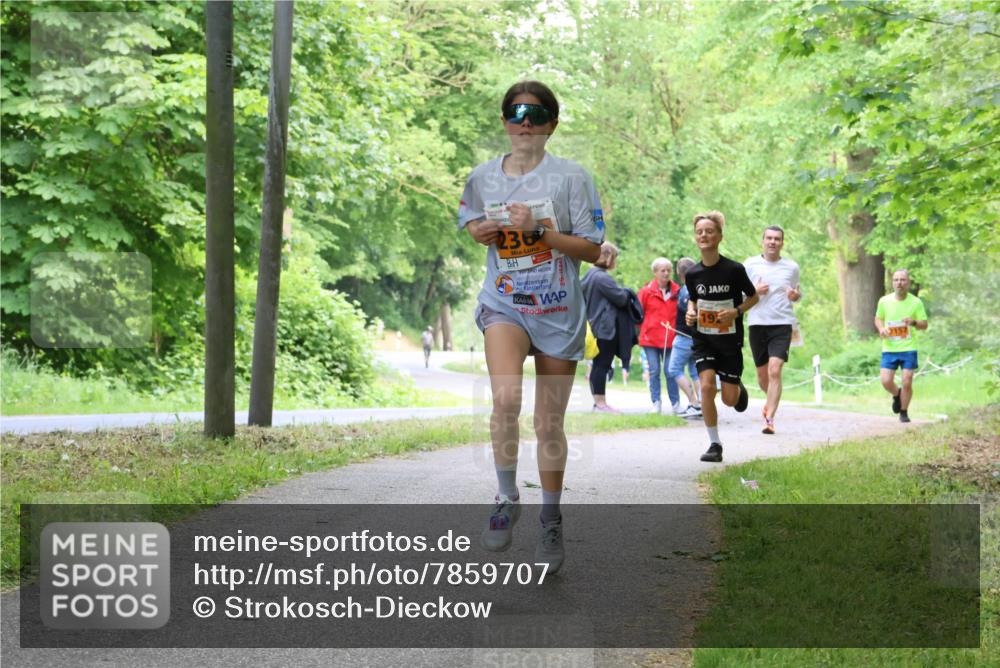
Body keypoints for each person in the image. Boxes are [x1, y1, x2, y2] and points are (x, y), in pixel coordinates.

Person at [457, 80, 603, 573]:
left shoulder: (571, 178)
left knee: (547, 424)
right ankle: (504, 496)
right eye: (516, 112)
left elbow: (591, 250)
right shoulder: (481, 177)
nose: (525, 121)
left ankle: (550, 519)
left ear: (552, 125)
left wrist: (540, 231)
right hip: (506, 304)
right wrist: (482, 231)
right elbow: (473, 226)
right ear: (503, 121)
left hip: (559, 310)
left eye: (537, 114)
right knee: (504, 399)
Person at [684, 211, 759, 463]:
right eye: (699, 232)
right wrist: (691, 312)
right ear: (695, 238)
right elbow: (694, 299)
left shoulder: (734, 269)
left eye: (709, 231)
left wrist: (736, 311)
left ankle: (737, 388)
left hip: (729, 341)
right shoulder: (693, 274)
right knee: (705, 386)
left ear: (719, 236)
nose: (704, 235)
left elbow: (754, 296)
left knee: (729, 400)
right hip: (703, 339)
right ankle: (714, 444)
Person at [744, 226, 802, 434]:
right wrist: (754, 291)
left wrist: (796, 297)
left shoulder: (791, 267)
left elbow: (796, 292)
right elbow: (739, 297)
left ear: (782, 243)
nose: (772, 242)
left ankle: (769, 419)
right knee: (763, 377)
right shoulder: (750, 264)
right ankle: (770, 400)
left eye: (777, 239)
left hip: (782, 323)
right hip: (757, 323)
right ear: (763, 241)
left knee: (775, 369)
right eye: (769, 238)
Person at [874, 269, 928, 423]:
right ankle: (897, 395)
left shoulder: (916, 302)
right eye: (896, 280)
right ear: (892, 283)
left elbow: (924, 325)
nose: (899, 283)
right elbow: (878, 319)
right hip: (889, 347)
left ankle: (903, 412)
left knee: (907, 380)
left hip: (909, 347)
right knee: (885, 381)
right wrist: (881, 329)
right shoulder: (884, 301)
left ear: (908, 283)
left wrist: (914, 322)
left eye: (903, 280)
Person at [581, 242, 629, 413]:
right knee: (602, 365)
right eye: (614, 257)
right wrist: (626, 292)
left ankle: (598, 402)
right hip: (604, 328)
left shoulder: (589, 274)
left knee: (597, 365)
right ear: (608, 257)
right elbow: (621, 298)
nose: (615, 261)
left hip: (594, 325)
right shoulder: (602, 277)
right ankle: (601, 403)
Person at [637, 258, 682, 414]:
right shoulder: (646, 292)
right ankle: (656, 403)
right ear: (655, 272)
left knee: (671, 371)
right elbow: (637, 314)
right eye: (662, 270)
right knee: (654, 371)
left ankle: (676, 404)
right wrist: (642, 331)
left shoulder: (678, 291)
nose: (666, 273)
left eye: (668, 270)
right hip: (650, 339)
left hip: (671, 339)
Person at [666, 257, 702, 418]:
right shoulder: (701, 288)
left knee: (674, 369)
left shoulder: (685, 290)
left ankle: (694, 403)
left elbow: (687, 309)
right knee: (695, 371)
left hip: (684, 336)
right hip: (698, 337)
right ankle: (702, 405)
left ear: (680, 275)